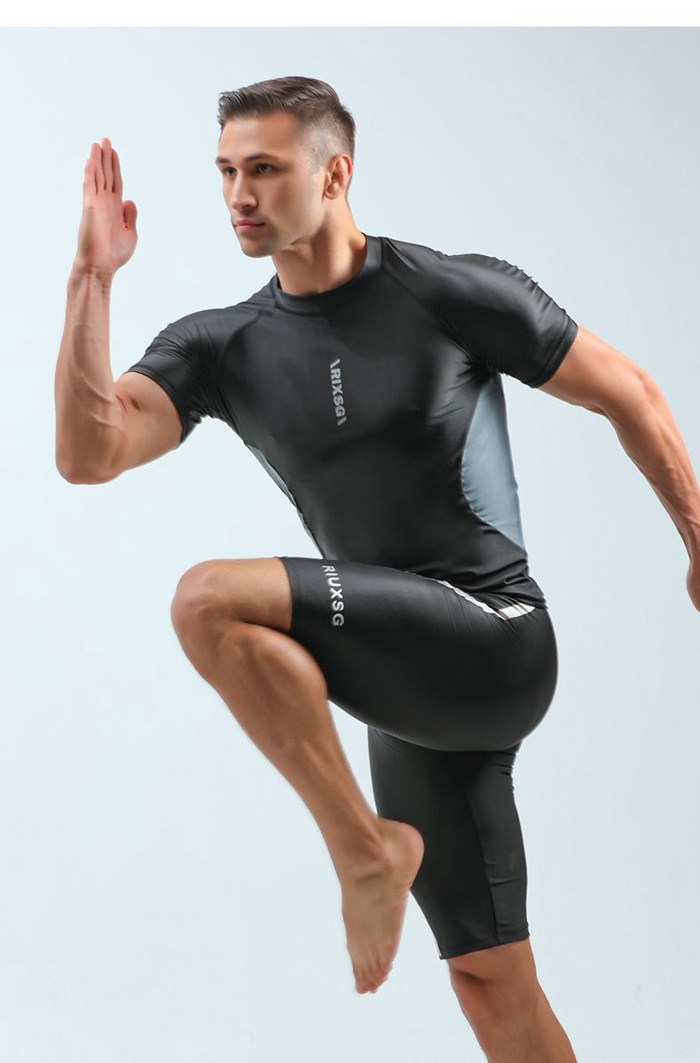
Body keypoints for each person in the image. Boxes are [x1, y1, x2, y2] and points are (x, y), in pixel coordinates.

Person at [54, 75, 700, 1062]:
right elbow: (88, 451)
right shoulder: (222, 346)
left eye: (264, 169)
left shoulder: (448, 291)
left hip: (494, 637)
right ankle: (369, 849)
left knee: (208, 601)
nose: (238, 194)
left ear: (334, 174)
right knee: (492, 984)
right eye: (225, 171)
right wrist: (89, 279)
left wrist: (696, 538)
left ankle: (362, 851)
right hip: (405, 690)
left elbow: (630, 391)